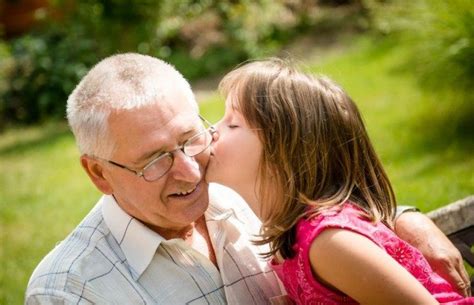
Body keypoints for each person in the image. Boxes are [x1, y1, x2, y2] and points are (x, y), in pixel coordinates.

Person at [25, 53, 468, 304]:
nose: (188, 168)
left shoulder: (250, 198)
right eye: (153, 160)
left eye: (190, 137)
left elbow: (335, 213)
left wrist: (403, 219)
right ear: (99, 172)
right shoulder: (69, 290)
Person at [205, 58, 473, 304]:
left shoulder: (329, 243)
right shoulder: (293, 237)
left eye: (232, 124)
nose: (212, 130)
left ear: (283, 155)